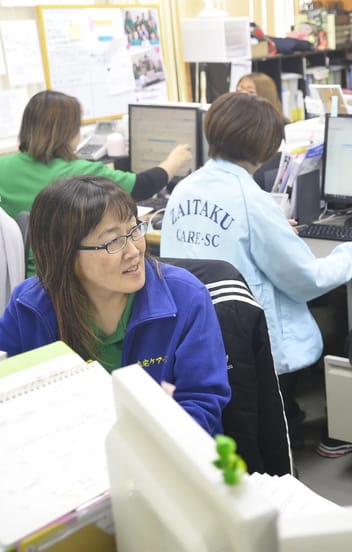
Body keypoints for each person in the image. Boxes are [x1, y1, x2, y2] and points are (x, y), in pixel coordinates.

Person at [159, 92, 352, 449]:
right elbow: (307, 279)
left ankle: (290, 414)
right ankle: (326, 428)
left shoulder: (184, 189)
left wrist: (274, 230)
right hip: (248, 339)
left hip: (199, 332)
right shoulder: (252, 200)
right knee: (338, 315)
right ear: (264, 147)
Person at [0, 175, 231, 436]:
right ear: (64, 253)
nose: (133, 251)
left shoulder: (185, 297)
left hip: (165, 449)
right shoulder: (29, 305)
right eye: (113, 242)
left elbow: (202, 402)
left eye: (134, 230)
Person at [0, 90, 193, 274]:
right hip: (68, 276)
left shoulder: (3, 166)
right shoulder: (79, 173)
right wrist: (176, 160)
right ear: (67, 132)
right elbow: (142, 185)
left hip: (22, 274)